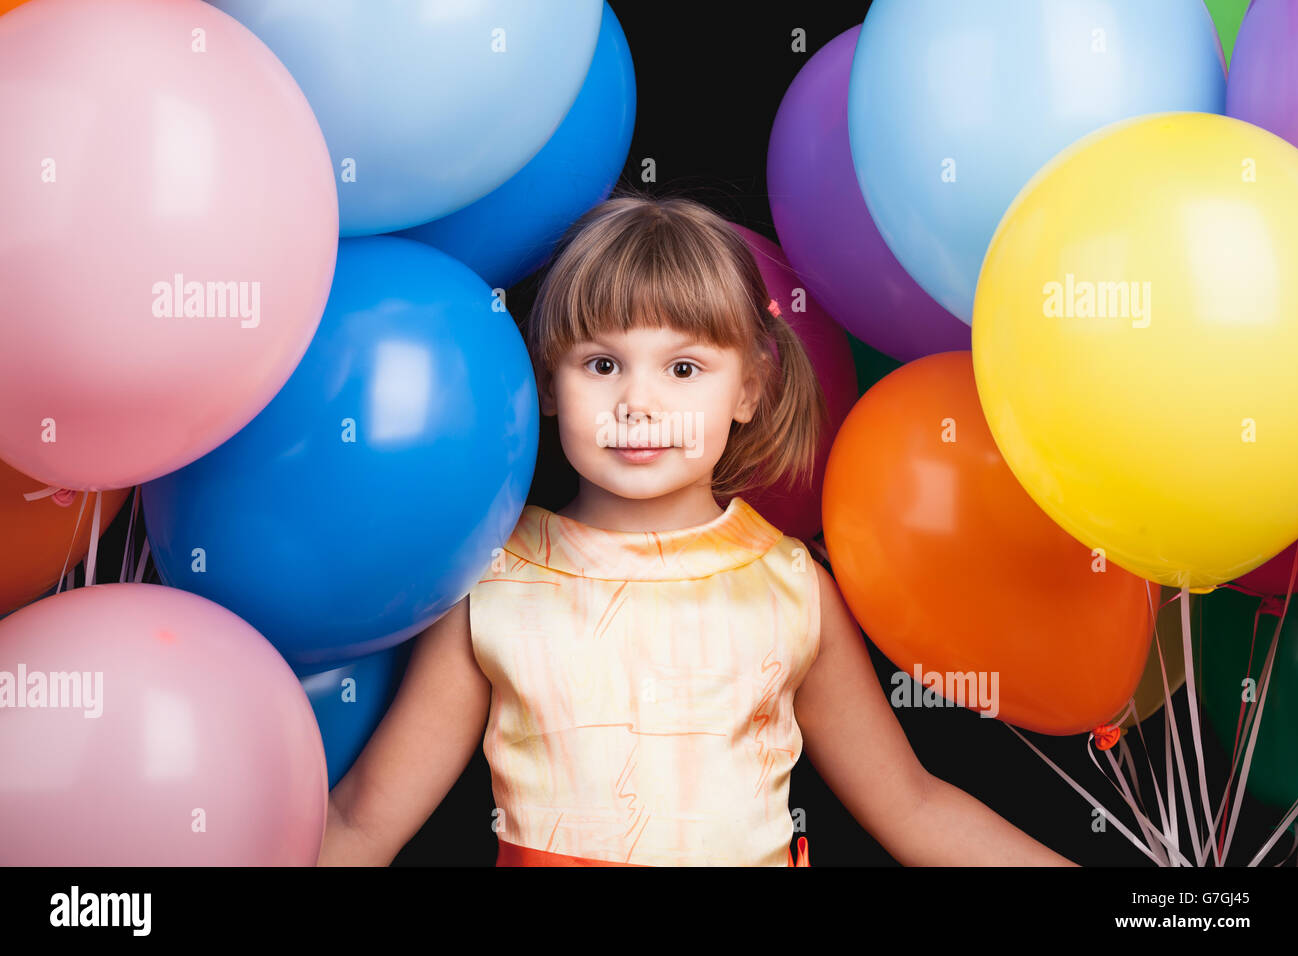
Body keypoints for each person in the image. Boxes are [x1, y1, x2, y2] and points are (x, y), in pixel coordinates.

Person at [317, 189, 1077, 867]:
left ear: (748, 386)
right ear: (547, 380)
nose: (639, 404)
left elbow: (913, 806)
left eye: (683, 369)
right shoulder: (494, 582)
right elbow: (362, 822)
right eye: (601, 365)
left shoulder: (790, 588)